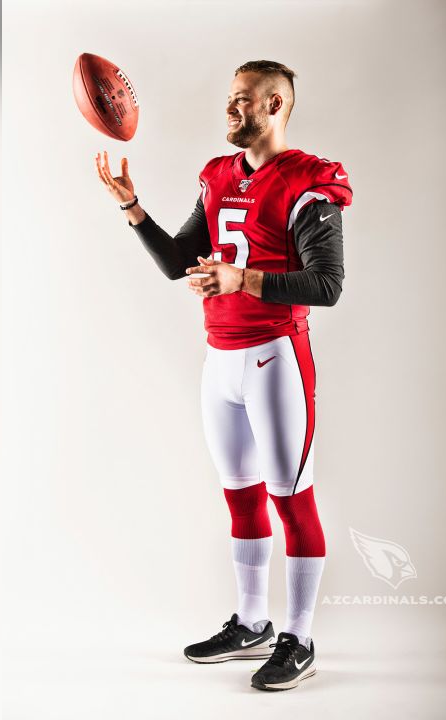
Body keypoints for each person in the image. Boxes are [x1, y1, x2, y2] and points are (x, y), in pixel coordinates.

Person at [93, 59, 352, 692]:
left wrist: (245, 279)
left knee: (292, 499)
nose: (230, 110)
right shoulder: (217, 176)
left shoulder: (310, 180)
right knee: (239, 494)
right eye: (230, 99)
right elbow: (179, 262)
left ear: (275, 107)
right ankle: (253, 621)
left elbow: (328, 284)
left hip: (276, 357)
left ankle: (299, 636)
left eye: (242, 100)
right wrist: (133, 208)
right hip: (221, 359)